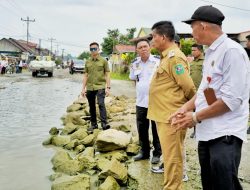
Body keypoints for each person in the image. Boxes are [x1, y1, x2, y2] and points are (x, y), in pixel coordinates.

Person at [171, 5, 250, 190]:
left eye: (192, 27)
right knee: (209, 182)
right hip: (208, 132)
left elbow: (232, 100)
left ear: (203, 26)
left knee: (225, 184)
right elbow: (208, 92)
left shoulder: (232, 51)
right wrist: (187, 108)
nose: (192, 32)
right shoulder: (212, 52)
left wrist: (195, 117)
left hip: (225, 134)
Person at [147, 21, 196, 190]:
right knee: (169, 158)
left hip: (172, 117)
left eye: (153, 36)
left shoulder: (174, 58)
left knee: (173, 159)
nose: (152, 40)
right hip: (164, 116)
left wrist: (190, 109)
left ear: (163, 37)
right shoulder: (165, 57)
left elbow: (188, 87)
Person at [129, 38, 162, 164]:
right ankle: (144, 152)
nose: (143, 49)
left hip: (156, 101)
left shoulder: (158, 61)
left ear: (150, 47)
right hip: (141, 102)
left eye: (145, 46)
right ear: (137, 50)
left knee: (156, 128)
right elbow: (133, 79)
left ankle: (157, 153)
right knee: (142, 128)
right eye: (140, 47)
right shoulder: (134, 64)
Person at [81, 42, 111, 132]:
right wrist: (83, 89)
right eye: (91, 49)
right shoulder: (87, 62)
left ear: (98, 49)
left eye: (95, 49)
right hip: (90, 87)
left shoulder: (103, 61)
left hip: (100, 86)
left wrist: (108, 87)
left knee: (101, 104)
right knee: (91, 106)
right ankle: (94, 125)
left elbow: (107, 74)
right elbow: (85, 75)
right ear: (90, 50)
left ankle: (104, 124)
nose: (93, 50)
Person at [189, 44, 204, 138]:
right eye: (192, 50)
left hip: (205, 91)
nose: (192, 52)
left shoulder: (205, 61)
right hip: (194, 92)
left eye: (194, 50)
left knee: (204, 110)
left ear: (200, 51)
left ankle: (204, 131)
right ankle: (196, 131)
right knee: (194, 112)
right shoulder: (192, 62)